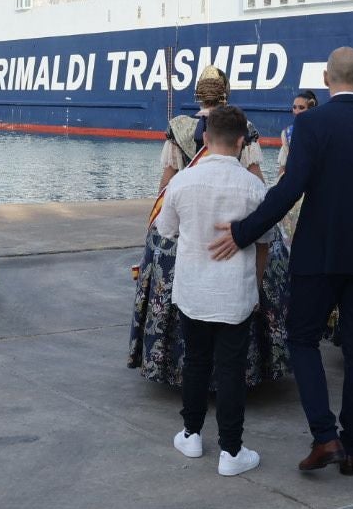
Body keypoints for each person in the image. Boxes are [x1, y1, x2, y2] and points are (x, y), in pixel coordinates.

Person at [214, 47, 353, 477]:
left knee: (302, 340)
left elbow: (289, 190)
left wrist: (244, 232)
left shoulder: (311, 124)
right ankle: (352, 447)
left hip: (318, 255)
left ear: (326, 77)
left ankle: (325, 436)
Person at [129, 66, 288, 389]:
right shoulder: (243, 127)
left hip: (189, 224)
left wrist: (154, 231)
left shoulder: (179, 128)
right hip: (237, 229)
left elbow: (166, 183)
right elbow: (256, 178)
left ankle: (177, 371)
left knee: (180, 294)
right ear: (226, 92)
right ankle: (246, 371)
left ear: (197, 93)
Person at [156, 105, 269, 476]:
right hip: (234, 292)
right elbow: (265, 241)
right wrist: (257, 284)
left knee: (196, 361)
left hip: (192, 290)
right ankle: (231, 452)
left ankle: (190, 433)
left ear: (204, 138)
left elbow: (166, 229)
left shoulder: (182, 182)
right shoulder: (254, 187)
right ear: (241, 142)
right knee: (231, 369)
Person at [276, 90, 317, 246]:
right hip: (295, 190)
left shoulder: (321, 130)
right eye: (295, 107)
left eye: (302, 107)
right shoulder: (286, 133)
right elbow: (283, 166)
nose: (297, 111)